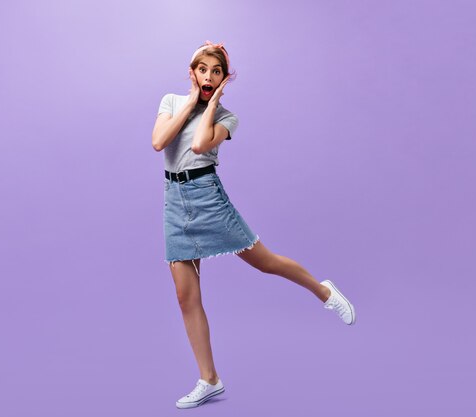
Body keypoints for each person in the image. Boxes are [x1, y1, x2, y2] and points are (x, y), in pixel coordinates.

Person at [152, 40, 356, 409]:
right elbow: (158, 142)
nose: (208, 76)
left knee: (266, 262)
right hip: (174, 203)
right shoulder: (169, 102)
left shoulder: (227, 118)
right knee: (185, 297)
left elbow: (199, 146)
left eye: (216, 71)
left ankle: (323, 291)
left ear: (224, 78)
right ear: (192, 72)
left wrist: (210, 106)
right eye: (203, 69)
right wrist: (190, 103)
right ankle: (209, 379)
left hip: (207, 197)